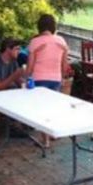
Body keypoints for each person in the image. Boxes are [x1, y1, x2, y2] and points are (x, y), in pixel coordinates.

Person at [27, 14, 69, 147]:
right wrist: (62, 77)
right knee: (51, 106)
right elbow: (65, 65)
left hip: (39, 79)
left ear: (39, 26)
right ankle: (52, 133)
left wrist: (26, 77)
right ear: (53, 26)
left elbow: (30, 66)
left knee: (41, 109)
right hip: (55, 78)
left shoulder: (35, 42)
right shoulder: (61, 41)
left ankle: (45, 141)